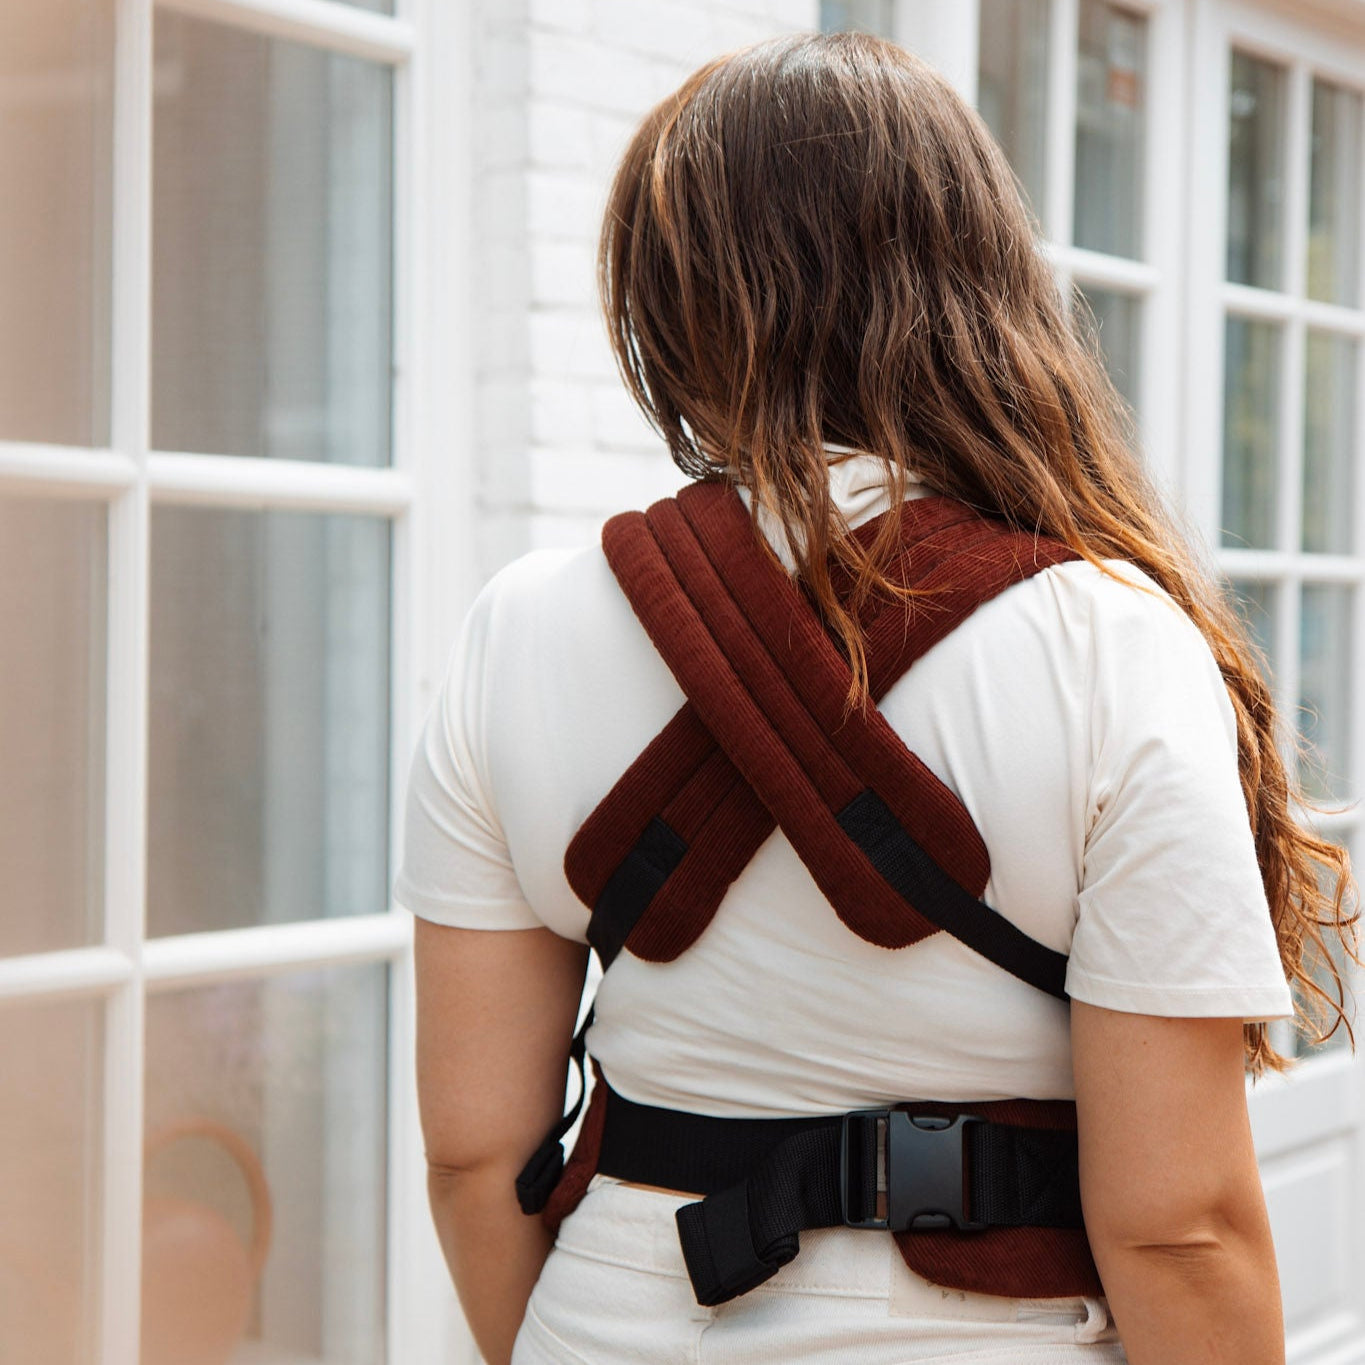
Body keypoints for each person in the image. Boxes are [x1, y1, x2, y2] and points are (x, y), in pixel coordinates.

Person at [396, 30, 1359, 1365]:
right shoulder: (1105, 646)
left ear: (671, 305)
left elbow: (473, 1153)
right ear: (976, 286)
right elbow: (1178, 1225)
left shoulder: (514, 630)